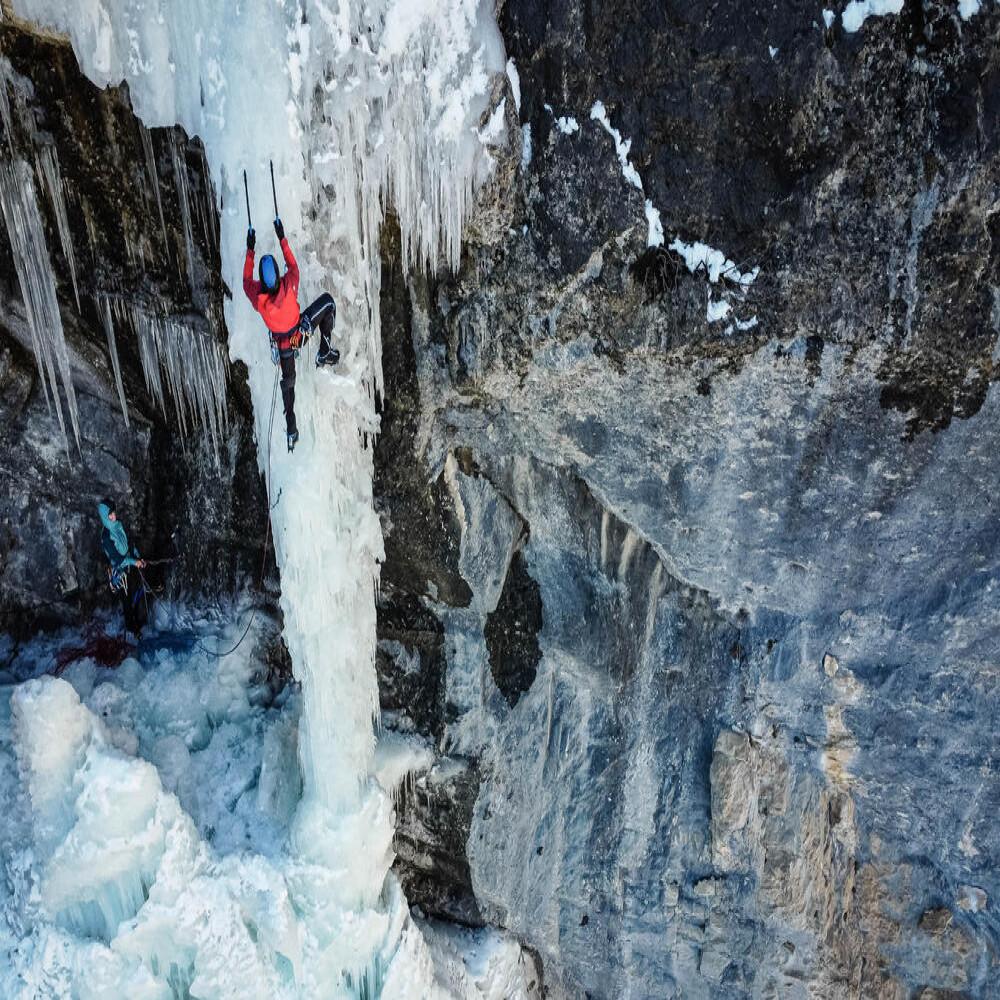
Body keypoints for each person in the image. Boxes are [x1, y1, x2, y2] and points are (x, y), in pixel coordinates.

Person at [243, 218, 339, 452]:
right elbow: (293, 265)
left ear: (263, 284)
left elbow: (246, 281)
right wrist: (281, 236)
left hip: (284, 346)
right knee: (328, 303)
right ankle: (324, 351)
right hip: (300, 334)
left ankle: (291, 430)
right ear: (278, 275)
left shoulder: (259, 300)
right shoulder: (290, 284)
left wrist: (250, 249)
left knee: (289, 384)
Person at [97, 498, 148, 638]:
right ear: (104, 517)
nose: (114, 516)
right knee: (126, 601)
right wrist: (134, 562)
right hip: (120, 571)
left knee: (135, 594)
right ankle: (132, 630)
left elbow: (128, 543)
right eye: (110, 515)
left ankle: (138, 622)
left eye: (114, 513)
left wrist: (137, 557)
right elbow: (117, 559)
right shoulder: (106, 537)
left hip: (130, 566)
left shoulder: (118, 525)